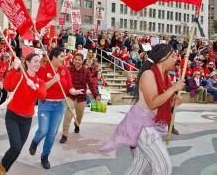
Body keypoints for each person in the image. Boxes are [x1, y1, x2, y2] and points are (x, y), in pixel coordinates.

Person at [101, 44, 185, 175]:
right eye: (173, 56)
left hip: (151, 125)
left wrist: (173, 101)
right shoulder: (148, 75)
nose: (176, 59)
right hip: (143, 126)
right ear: (163, 58)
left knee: (139, 168)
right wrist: (173, 89)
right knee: (163, 167)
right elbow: (152, 103)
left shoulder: (165, 76)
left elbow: (162, 100)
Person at [29, 48, 83, 169]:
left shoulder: (65, 70)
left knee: (52, 133)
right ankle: (35, 141)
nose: (63, 59)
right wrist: (53, 80)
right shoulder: (43, 69)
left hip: (59, 106)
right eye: (61, 56)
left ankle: (45, 156)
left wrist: (74, 92)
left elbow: (69, 87)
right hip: (45, 104)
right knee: (43, 130)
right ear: (53, 58)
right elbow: (40, 88)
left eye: (64, 56)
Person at [0, 53, 47, 175]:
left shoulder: (40, 81)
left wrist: (34, 86)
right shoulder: (20, 75)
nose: (38, 64)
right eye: (35, 61)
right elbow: (7, 86)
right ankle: (1, 170)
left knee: (17, 151)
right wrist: (14, 68)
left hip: (27, 119)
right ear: (27, 63)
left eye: (39, 62)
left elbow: (43, 95)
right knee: (16, 147)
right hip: (13, 116)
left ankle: (3, 169)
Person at [59, 53, 101, 144]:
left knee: (79, 116)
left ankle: (76, 124)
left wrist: (96, 95)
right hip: (70, 96)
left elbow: (91, 84)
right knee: (68, 115)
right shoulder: (68, 69)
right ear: (73, 60)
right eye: (76, 59)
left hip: (81, 97)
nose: (77, 61)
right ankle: (64, 135)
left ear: (82, 61)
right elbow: (64, 81)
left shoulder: (86, 71)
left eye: (79, 59)